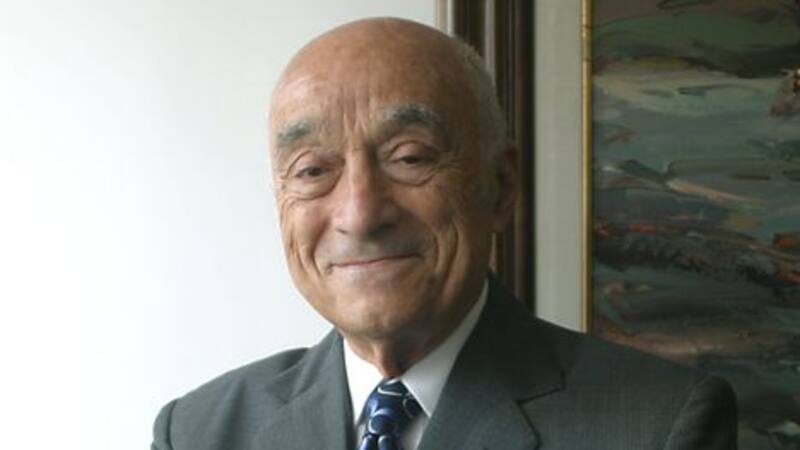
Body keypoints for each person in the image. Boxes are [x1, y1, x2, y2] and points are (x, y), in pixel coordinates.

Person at [151, 18, 737, 450]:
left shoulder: (659, 425)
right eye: (312, 170)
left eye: (409, 157)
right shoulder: (200, 431)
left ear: (500, 187)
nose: (360, 214)